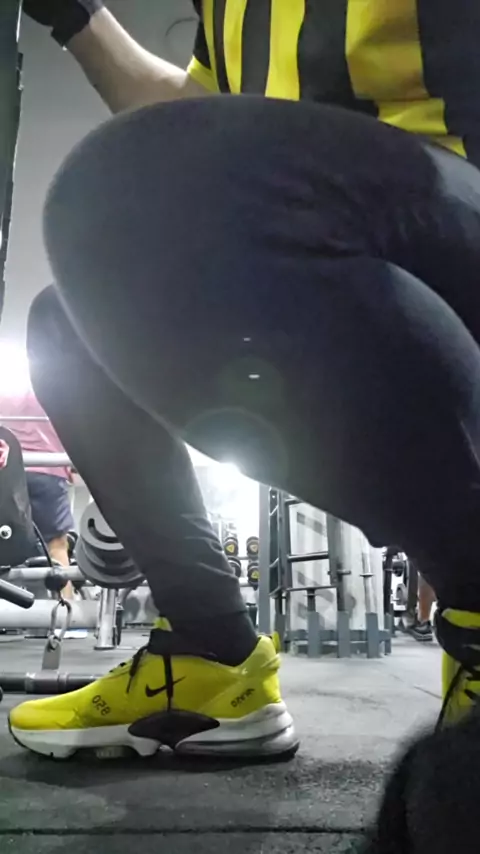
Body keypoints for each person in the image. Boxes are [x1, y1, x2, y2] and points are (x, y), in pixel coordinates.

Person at [9, 0, 480, 768]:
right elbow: (191, 117)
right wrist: (75, 17)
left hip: (448, 209)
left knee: (124, 177)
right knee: (73, 323)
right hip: (303, 219)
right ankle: (211, 655)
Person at [0, 385, 75, 580]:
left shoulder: (5, 392)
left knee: (5, 539)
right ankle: (66, 597)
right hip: (49, 471)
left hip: (9, 471)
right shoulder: (53, 393)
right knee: (57, 544)